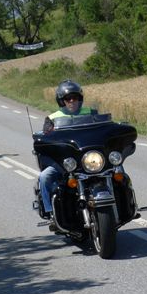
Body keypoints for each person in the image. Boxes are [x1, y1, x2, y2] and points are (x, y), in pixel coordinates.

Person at [38, 80, 97, 219]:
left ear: (80, 99)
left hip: (90, 158)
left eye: (75, 98)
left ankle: (128, 204)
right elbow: (47, 137)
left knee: (118, 169)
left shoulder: (91, 113)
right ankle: (50, 212)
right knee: (44, 177)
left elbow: (104, 129)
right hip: (65, 161)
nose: (72, 101)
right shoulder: (52, 118)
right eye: (68, 98)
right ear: (62, 101)